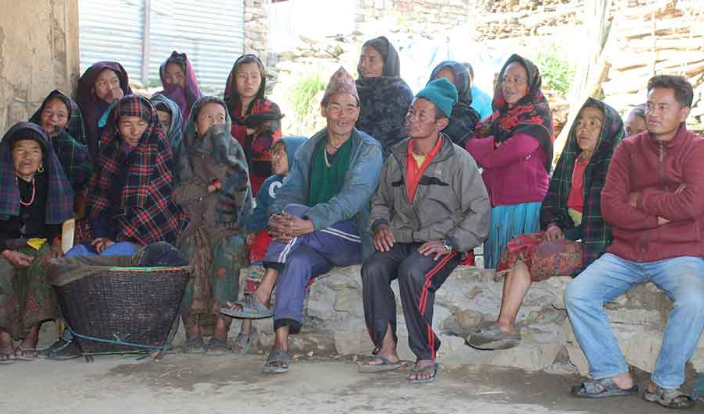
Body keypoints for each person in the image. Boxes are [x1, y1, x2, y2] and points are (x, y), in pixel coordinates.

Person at [221, 67, 383, 373]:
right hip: (309, 236)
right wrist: (277, 216)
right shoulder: (311, 147)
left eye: (350, 108)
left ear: (358, 112)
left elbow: (353, 199)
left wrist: (307, 222)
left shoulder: (368, 149)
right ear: (323, 109)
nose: (343, 115)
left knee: (296, 216)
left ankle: (262, 293)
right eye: (335, 107)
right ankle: (280, 346)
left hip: (352, 236)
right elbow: (290, 190)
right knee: (295, 262)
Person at [565, 75, 704, 409]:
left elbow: (693, 204)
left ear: (684, 112)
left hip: (678, 252)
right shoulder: (628, 149)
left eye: (663, 107)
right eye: (650, 105)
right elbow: (610, 207)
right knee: (578, 293)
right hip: (625, 252)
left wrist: (640, 198)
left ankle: (664, 383)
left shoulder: (697, 150)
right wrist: (656, 216)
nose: (653, 113)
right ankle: (613, 374)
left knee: (695, 301)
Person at [359, 79, 490, 383]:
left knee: (413, 272)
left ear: (440, 123)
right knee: (373, 268)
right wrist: (379, 225)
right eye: (410, 112)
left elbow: (480, 211)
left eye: (421, 114)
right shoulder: (396, 156)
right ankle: (386, 348)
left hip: (442, 241)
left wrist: (451, 242)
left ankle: (425, 355)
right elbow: (380, 201)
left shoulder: (459, 161)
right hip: (402, 237)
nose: (411, 119)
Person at [466, 98, 624, 350]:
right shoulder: (572, 160)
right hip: (569, 235)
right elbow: (551, 202)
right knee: (518, 245)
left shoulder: (616, 166)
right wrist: (552, 226)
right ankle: (504, 325)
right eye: (580, 122)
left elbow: (606, 219)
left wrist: (569, 236)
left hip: (598, 244)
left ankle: (505, 324)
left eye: (594, 123)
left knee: (533, 255)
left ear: (608, 130)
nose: (583, 128)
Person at [43, 95, 188, 360]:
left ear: (150, 124)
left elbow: (154, 208)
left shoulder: (160, 154)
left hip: (145, 239)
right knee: (73, 258)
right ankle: (74, 334)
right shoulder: (109, 154)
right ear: (116, 126)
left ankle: (85, 337)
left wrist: (117, 239)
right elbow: (98, 201)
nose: (134, 131)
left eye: (141, 123)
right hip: (108, 235)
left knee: (103, 262)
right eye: (127, 124)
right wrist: (100, 236)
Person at [173, 96, 252, 354]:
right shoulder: (185, 151)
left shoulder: (233, 150)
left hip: (229, 226)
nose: (215, 123)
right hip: (193, 225)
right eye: (208, 117)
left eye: (221, 118)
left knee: (229, 252)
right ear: (196, 124)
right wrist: (208, 188)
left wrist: (220, 154)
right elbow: (179, 195)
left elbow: (240, 192)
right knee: (190, 253)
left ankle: (221, 331)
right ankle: (193, 331)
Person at [465, 54, 553, 269]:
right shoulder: (497, 117)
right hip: (496, 201)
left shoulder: (537, 115)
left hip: (524, 204)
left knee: (518, 267)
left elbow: (512, 150)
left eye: (517, 80)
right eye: (505, 79)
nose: (509, 85)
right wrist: (490, 145)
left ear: (530, 84)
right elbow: (472, 146)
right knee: (495, 266)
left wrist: (486, 149)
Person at [0, 122, 74, 362]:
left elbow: (56, 221)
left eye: (34, 150)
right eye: (20, 149)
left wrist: (56, 242)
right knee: (2, 271)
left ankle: (32, 334)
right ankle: (3, 337)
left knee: (43, 265)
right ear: (9, 154)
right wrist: (5, 252)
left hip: (37, 242)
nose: (27, 156)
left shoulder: (49, 183)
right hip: (3, 245)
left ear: (43, 157)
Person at [236, 136, 307, 354]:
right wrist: (251, 230)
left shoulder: (306, 182)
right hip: (266, 245)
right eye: (272, 153)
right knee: (253, 278)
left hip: (291, 243)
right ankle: (246, 330)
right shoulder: (269, 184)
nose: (273, 158)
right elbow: (259, 213)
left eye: (280, 153)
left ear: (295, 155)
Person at [224, 54, 283, 195]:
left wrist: (230, 132)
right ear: (233, 80)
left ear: (261, 80)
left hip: (260, 186)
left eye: (254, 76)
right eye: (242, 76)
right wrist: (245, 131)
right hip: (223, 182)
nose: (248, 82)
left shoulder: (269, 109)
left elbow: (263, 148)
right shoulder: (222, 108)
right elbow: (211, 139)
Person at [355, 36, 414, 157]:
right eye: (362, 58)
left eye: (372, 60)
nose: (364, 65)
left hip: (392, 160)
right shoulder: (353, 89)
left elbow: (405, 135)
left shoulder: (400, 92)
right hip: (354, 155)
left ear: (386, 64)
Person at [29, 90, 92, 194]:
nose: (53, 118)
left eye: (61, 115)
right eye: (48, 112)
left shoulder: (77, 152)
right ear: (40, 113)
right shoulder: (26, 138)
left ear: (68, 122)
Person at [75, 62, 132, 160]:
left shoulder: (131, 102)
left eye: (114, 81)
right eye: (102, 83)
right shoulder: (86, 109)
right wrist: (106, 103)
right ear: (93, 88)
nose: (110, 88)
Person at [427, 61, 481, 146]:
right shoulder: (418, 106)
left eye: (447, 85)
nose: (439, 87)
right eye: (436, 79)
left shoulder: (461, 119)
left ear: (459, 89)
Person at [157, 51, 203, 122]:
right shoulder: (157, 103)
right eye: (167, 76)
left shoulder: (204, 105)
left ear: (188, 77)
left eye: (179, 75)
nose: (174, 81)